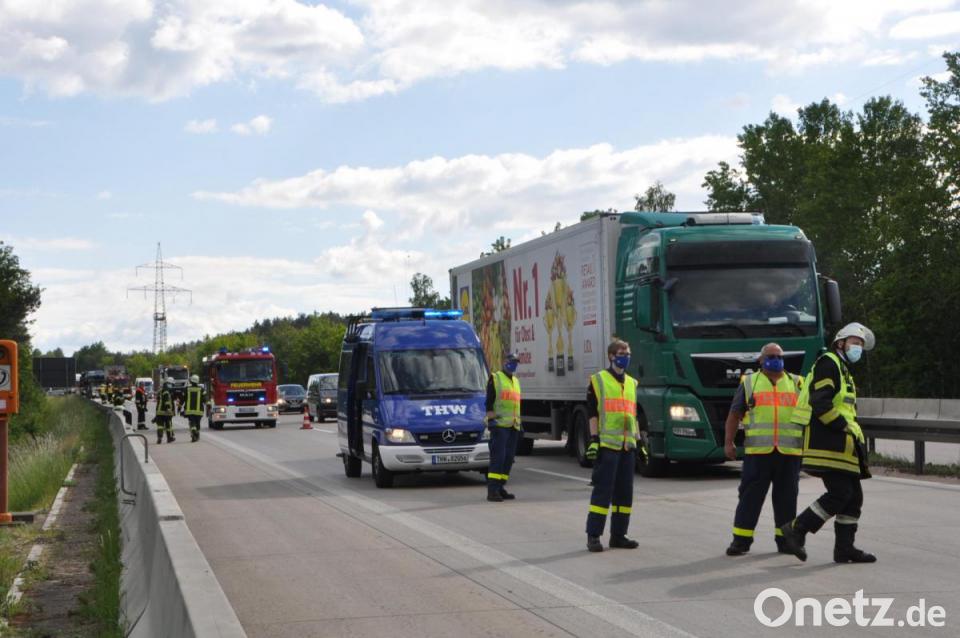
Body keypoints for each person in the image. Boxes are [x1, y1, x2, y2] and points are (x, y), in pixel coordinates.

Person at [780, 322, 876, 563]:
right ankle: (797, 528)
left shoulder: (842, 368)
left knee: (853, 497)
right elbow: (820, 402)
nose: (858, 349)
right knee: (840, 493)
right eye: (855, 343)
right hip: (829, 443)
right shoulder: (829, 363)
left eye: (861, 346)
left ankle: (844, 549)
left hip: (843, 446)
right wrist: (841, 426)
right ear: (840, 343)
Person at [723, 343, 804, 556]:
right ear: (760, 360)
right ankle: (741, 541)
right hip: (759, 454)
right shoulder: (749, 383)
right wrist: (728, 442)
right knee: (750, 498)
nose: (775, 359)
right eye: (770, 356)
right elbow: (734, 414)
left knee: (787, 500)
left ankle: (785, 541)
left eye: (779, 356)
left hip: (789, 453)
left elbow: (808, 416)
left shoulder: (797, 383)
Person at [585, 338, 640, 552]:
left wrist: (639, 441)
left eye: (627, 353)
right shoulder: (598, 380)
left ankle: (619, 535)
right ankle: (594, 535)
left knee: (625, 494)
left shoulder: (632, 383)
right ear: (611, 356)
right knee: (603, 492)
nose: (625, 356)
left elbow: (632, 414)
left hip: (627, 447)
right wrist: (593, 440)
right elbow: (592, 413)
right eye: (621, 353)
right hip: (607, 446)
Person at [485, 352, 522, 502]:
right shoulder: (495, 378)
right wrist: (491, 420)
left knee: (508, 458)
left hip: (513, 425)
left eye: (516, 362)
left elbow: (515, 405)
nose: (513, 364)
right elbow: (489, 402)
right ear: (504, 361)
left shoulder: (515, 381)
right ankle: (492, 490)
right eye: (511, 361)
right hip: (499, 425)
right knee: (498, 458)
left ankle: (500, 487)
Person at [184, 374, 206, 443]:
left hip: (189, 410)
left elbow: (184, 398)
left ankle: (194, 433)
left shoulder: (187, 389)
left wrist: (180, 407)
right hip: (199, 411)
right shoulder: (202, 389)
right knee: (198, 423)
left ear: (191, 381)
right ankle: (197, 434)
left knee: (192, 422)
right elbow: (204, 399)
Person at [154, 377, 176, 444]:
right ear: (169, 383)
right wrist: (168, 408)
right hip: (166, 412)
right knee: (168, 425)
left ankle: (159, 438)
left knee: (160, 426)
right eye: (172, 384)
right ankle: (169, 438)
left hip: (159, 411)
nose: (172, 386)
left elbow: (159, 400)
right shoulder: (166, 391)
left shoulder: (161, 390)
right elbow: (167, 401)